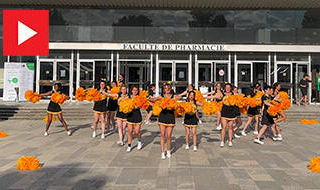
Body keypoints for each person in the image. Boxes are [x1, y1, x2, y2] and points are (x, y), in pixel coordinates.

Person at [155, 83, 180, 159]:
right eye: (165, 88)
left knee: (169, 136)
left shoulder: (174, 96)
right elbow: (153, 99)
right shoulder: (161, 97)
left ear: (170, 89)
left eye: (168, 88)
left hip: (171, 117)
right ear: (163, 89)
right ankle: (163, 152)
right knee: (162, 135)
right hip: (162, 117)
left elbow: (180, 97)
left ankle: (168, 150)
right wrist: (149, 98)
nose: (167, 89)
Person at [126, 85, 143, 152]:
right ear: (131, 90)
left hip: (137, 115)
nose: (135, 91)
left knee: (137, 131)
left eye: (136, 90)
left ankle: (139, 141)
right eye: (133, 90)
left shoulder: (139, 97)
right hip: (130, 115)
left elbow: (142, 105)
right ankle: (129, 145)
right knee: (130, 131)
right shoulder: (128, 97)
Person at [220, 83, 236, 147]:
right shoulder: (222, 94)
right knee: (224, 127)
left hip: (231, 112)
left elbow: (240, 97)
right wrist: (205, 98)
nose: (228, 89)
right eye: (226, 88)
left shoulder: (233, 94)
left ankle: (230, 141)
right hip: (224, 112)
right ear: (224, 88)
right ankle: (222, 141)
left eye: (229, 88)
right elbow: (215, 96)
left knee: (230, 127)